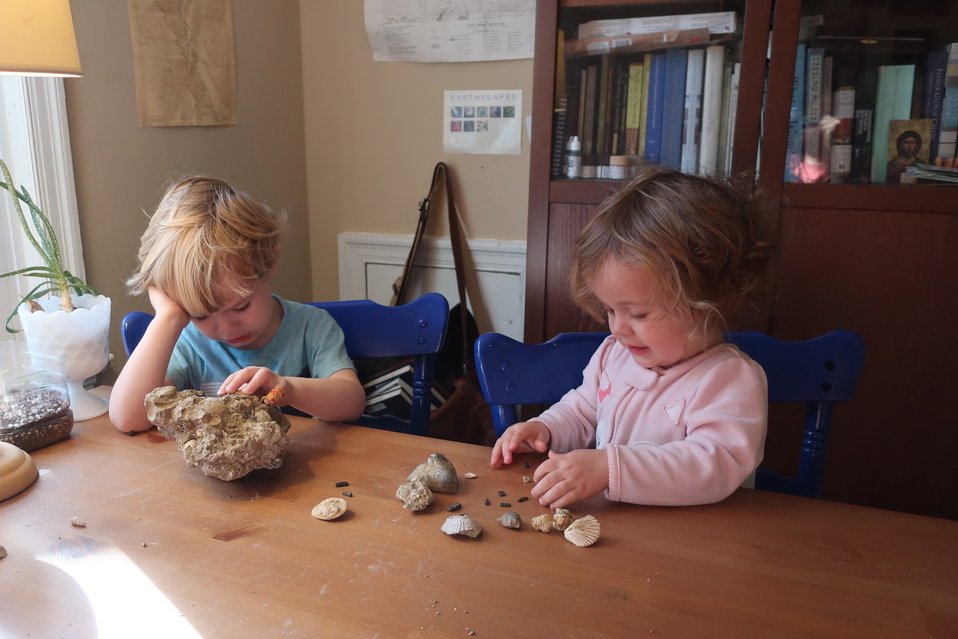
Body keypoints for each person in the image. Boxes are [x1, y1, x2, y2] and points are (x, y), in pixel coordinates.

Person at [490, 167, 772, 508]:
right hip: (620, 534)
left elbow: (713, 465)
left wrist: (610, 468)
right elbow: (582, 411)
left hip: (698, 545)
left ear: (709, 302)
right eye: (610, 310)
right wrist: (544, 428)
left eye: (638, 314)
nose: (617, 329)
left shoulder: (730, 378)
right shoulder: (615, 355)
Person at [110, 176, 366, 433]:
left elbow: (351, 401)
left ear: (269, 261)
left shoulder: (311, 327)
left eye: (241, 306)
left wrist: (289, 389)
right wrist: (168, 317)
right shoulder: (189, 343)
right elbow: (129, 418)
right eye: (200, 315)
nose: (227, 327)